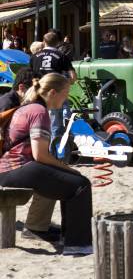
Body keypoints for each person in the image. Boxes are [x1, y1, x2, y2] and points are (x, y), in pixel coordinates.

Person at [0, 73, 93, 255]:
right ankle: (78, 244)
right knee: (81, 185)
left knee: (72, 183)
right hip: (16, 168)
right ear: (52, 92)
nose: (66, 99)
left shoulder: (26, 107)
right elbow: (40, 155)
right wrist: (67, 167)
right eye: (65, 94)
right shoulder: (39, 111)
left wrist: (66, 171)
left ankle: (70, 238)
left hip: (7, 168)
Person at [0, 67, 60, 242]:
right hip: (6, 166)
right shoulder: (8, 104)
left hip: (11, 163)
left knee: (46, 171)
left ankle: (37, 224)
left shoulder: (19, 104)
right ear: (21, 88)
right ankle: (36, 226)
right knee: (49, 175)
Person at [30, 31, 77, 141]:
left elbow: (31, 76)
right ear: (57, 43)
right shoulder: (62, 56)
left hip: (38, 94)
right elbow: (73, 77)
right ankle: (54, 152)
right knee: (56, 126)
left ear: (44, 42)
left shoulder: (34, 57)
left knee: (39, 125)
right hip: (55, 94)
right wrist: (67, 82)